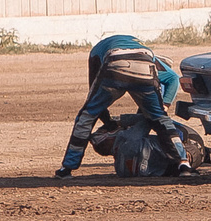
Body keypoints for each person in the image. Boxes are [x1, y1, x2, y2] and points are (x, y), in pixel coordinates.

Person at [56, 35, 196, 178]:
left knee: (87, 116)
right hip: (145, 70)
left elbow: (93, 91)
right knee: (161, 120)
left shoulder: (97, 50)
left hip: (115, 66)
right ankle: (183, 164)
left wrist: (109, 123)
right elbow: (173, 78)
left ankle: (66, 168)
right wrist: (163, 107)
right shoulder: (147, 54)